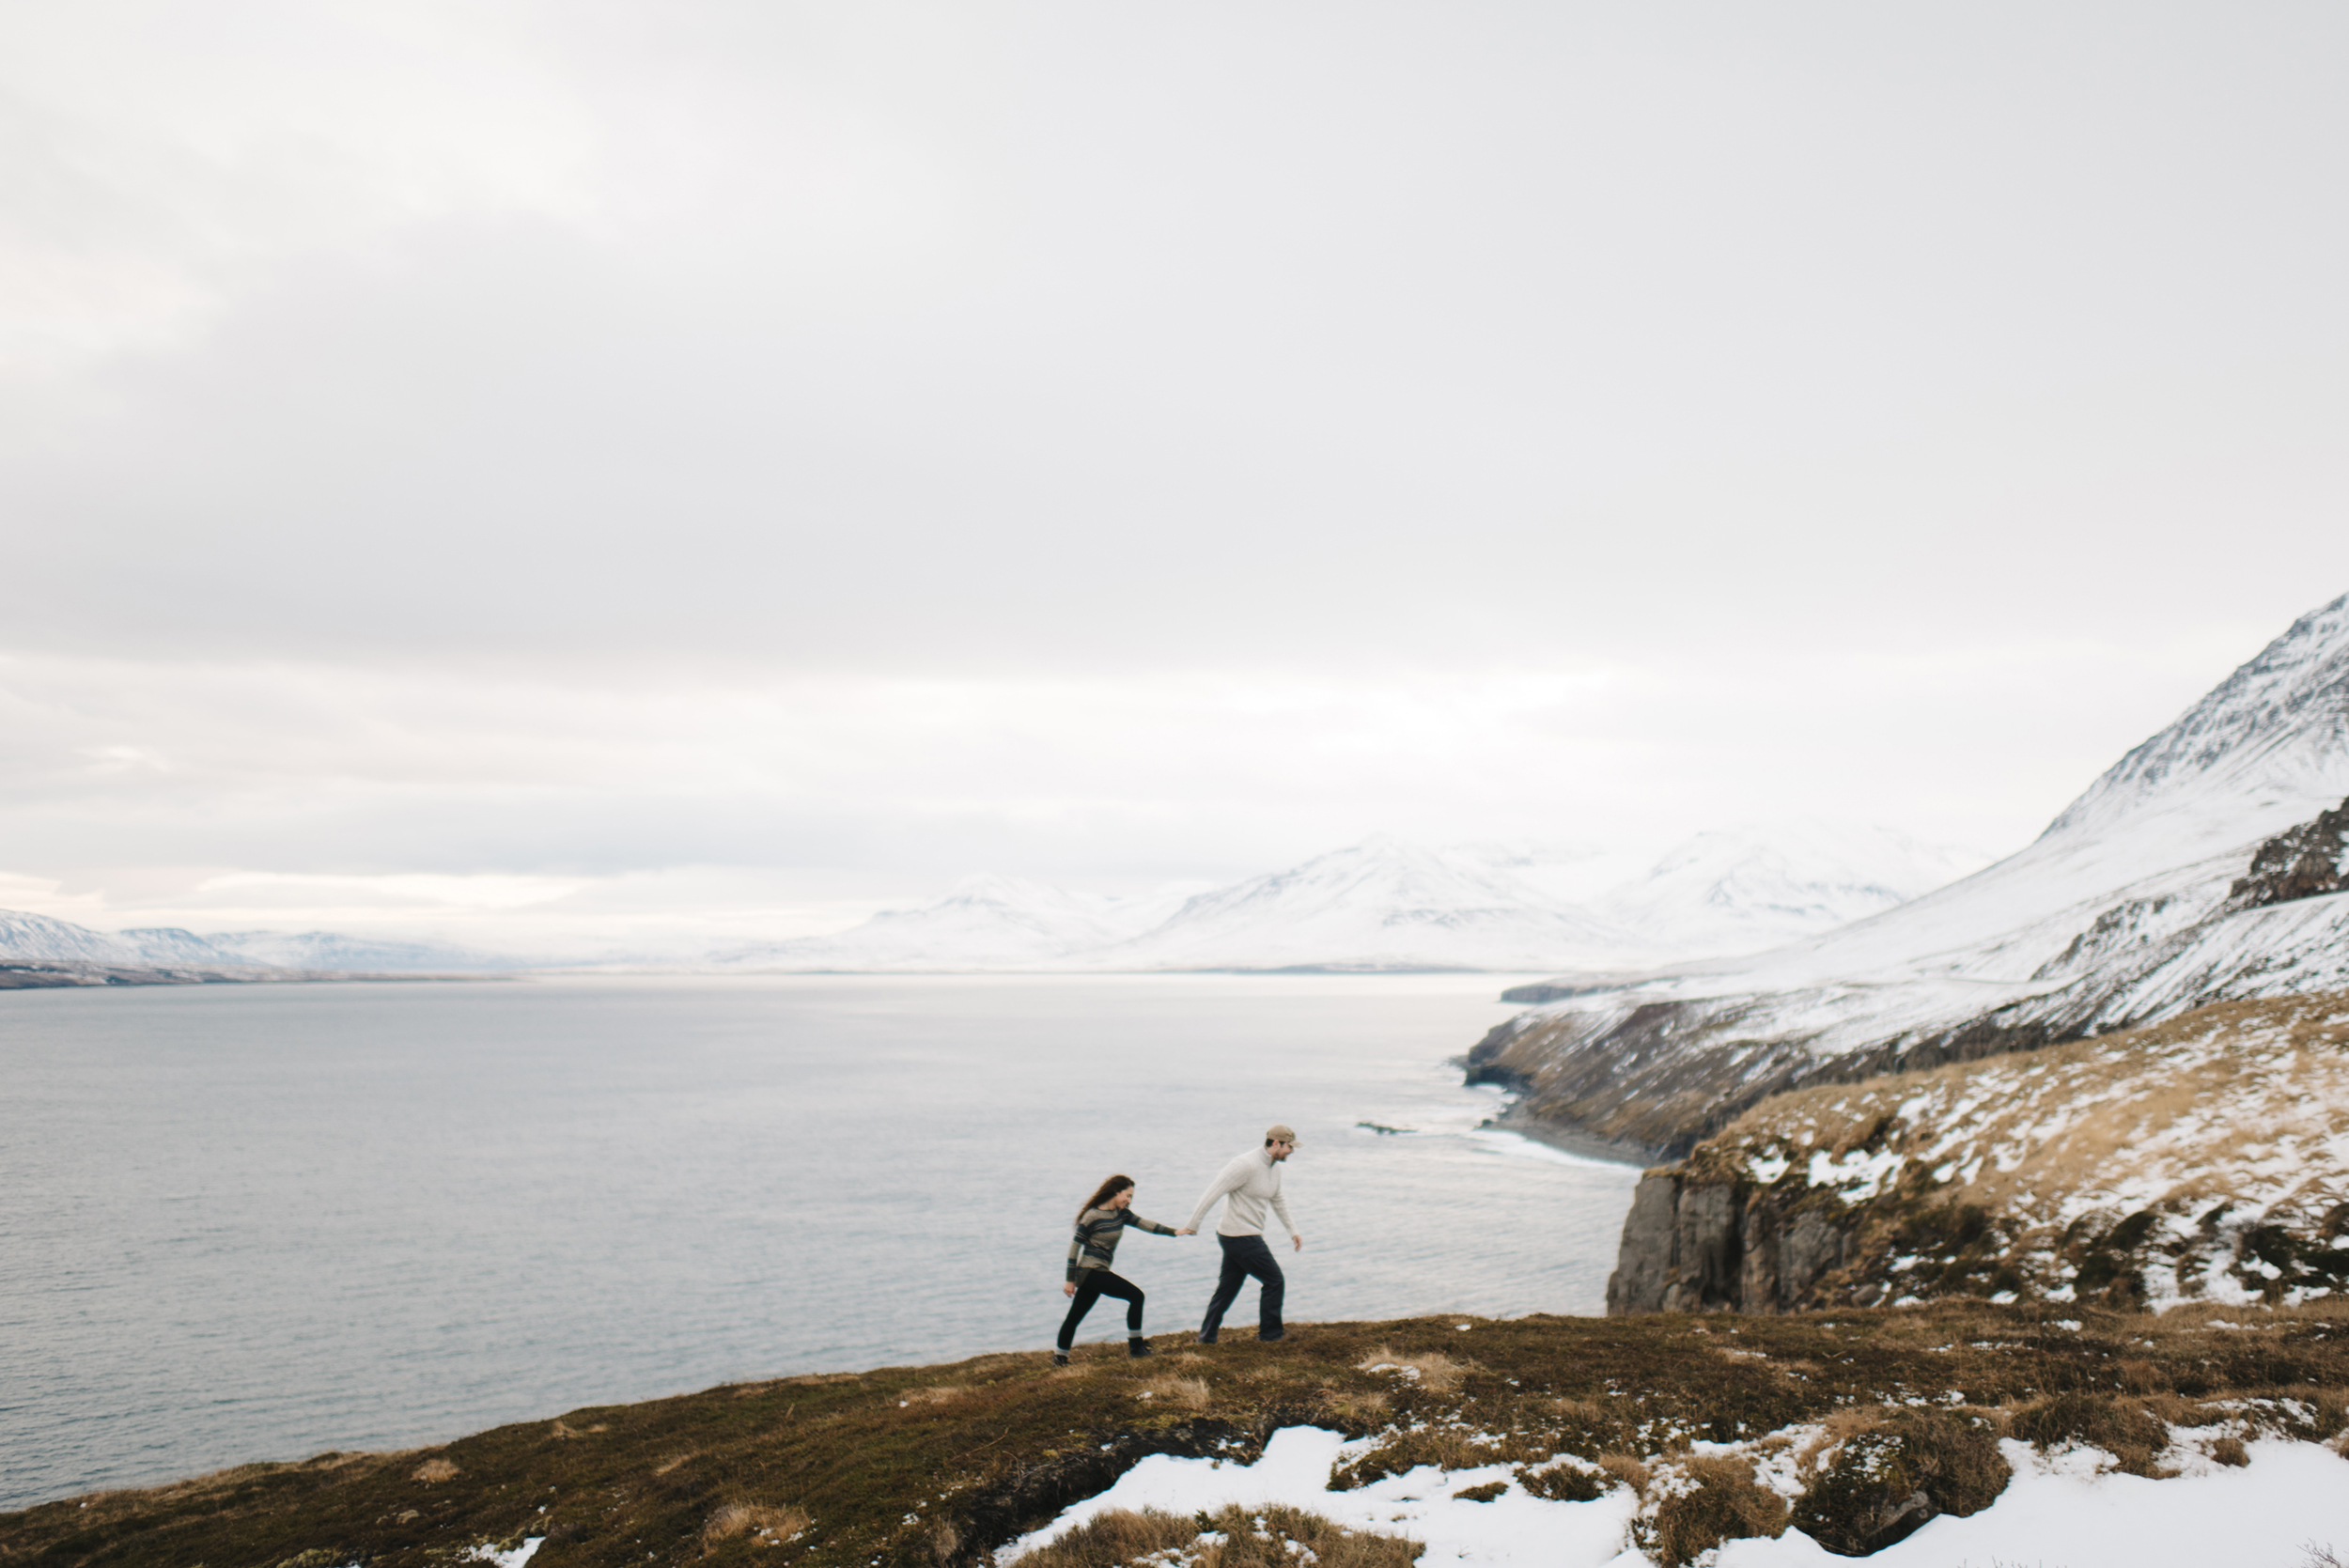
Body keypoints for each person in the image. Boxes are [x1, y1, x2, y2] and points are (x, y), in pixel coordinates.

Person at [1183, 1124, 1302, 1344]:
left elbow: (1277, 1199)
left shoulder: (1274, 1167)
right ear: (1276, 1143)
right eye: (1289, 1147)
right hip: (1239, 1236)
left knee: (1227, 1288)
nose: (1291, 1152)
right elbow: (1213, 1192)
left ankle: (1206, 1337)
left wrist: (1292, 1230)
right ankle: (1270, 1334)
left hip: (1244, 1235)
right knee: (1274, 1280)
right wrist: (1193, 1224)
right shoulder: (1244, 1164)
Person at [1055, 1174, 1192, 1365]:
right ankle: (1136, 1348)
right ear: (1115, 1192)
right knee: (1136, 1296)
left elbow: (1146, 1224)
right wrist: (1070, 1280)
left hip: (1097, 1272)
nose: (1128, 1200)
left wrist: (1174, 1232)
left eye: (1131, 1197)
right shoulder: (1092, 1216)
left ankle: (1060, 1358)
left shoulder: (1122, 1214)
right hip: (1090, 1271)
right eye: (1127, 1196)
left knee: (1075, 1316)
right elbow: (1074, 1248)